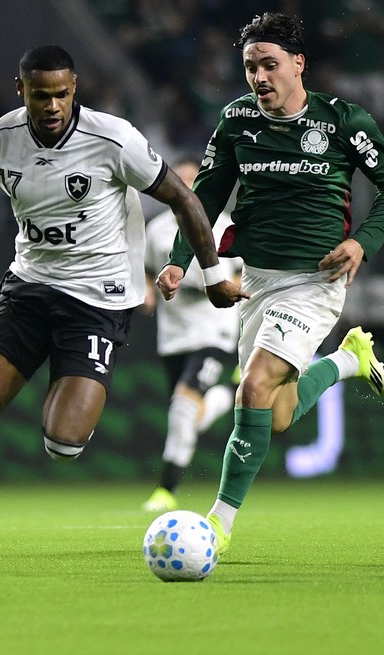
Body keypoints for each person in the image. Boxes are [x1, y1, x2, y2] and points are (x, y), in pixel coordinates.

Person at [0, 45, 246, 574]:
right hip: (29, 289)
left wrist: (213, 275)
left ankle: (68, 376)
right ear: (20, 89)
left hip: (99, 301)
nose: (52, 105)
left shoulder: (113, 138)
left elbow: (184, 198)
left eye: (62, 94)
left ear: (75, 89)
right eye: (40, 95)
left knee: (63, 444)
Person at [157, 13, 384, 556]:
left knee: (252, 385)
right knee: (277, 414)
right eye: (250, 67)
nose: (259, 77)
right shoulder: (236, 121)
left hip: (316, 281)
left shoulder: (343, 121)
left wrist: (362, 242)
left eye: (269, 64)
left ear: (299, 64)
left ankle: (219, 523)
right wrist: (181, 260)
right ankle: (348, 361)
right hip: (257, 281)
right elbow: (205, 196)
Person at [140, 160, 242, 513]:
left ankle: (166, 488)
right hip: (173, 335)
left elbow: (243, 273)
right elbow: (147, 270)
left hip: (215, 329)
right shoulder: (156, 230)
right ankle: (224, 397)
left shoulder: (224, 225)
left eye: (191, 180)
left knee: (183, 408)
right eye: (179, 180)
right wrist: (147, 292)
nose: (185, 187)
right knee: (184, 413)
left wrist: (232, 291)